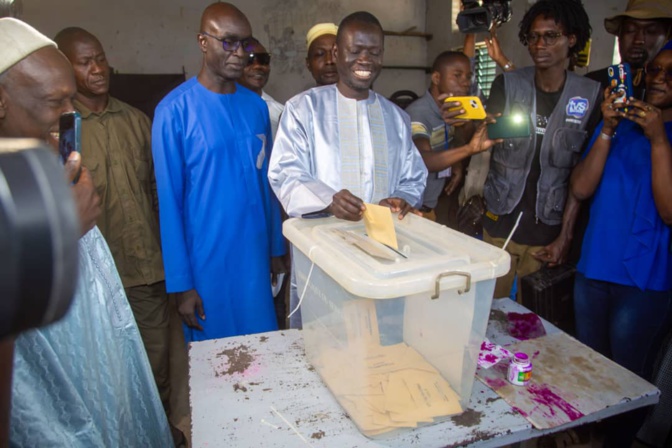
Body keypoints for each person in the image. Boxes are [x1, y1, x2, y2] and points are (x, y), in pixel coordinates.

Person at [0, 18, 172, 446]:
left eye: (69, 101)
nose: (67, 116)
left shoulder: (52, 155)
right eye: (52, 101)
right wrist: (62, 231)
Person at [53, 27, 181, 440]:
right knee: (102, 373)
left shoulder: (137, 121)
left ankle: (158, 433)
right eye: (84, 61)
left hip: (145, 272)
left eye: (101, 58)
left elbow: (158, 195)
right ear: (65, 67)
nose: (97, 69)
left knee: (155, 365)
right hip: (90, 280)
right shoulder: (59, 130)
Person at [268, 11, 427, 328]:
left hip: (382, 254)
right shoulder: (304, 109)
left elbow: (414, 177)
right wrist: (328, 199)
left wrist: (399, 198)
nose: (365, 59)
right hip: (323, 255)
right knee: (324, 338)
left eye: (374, 51)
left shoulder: (396, 118)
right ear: (338, 53)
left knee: (379, 336)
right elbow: (285, 171)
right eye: (355, 50)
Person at [152, 2, 285, 342]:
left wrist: (274, 249)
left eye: (246, 43)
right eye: (229, 42)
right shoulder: (173, 112)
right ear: (203, 42)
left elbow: (266, 184)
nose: (240, 53)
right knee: (215, 367)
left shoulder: (256, 108)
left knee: (261, 352)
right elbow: (170, 204)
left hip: (254, 258)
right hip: (206, 263)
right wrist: (182, 285)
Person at [570, 41, 672, 447]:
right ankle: (591, 436)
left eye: (670, 72)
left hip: (642, 280)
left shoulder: (660, 135)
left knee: (627, 376)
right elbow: (580, 187)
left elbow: (668, 212)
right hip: (594, 266)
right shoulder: (620, 126)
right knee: (590, 369)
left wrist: (659, 138)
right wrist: (608, 127)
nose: (659, 77)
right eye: (655, 69)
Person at [482, 0, 602, 301]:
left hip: (545, 229)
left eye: (551, 36)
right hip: (499, 219)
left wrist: (566, 235)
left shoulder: (589, 96)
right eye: (534, 36)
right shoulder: (507, 85)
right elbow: (482, 146)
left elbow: (580, 175)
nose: (539, 44)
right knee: (485, 309)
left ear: (571, 39)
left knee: (530, 321)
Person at [406, 51, 500, 223]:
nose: (465, 82)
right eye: (457, 76)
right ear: (436, 78)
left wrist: (455, 159)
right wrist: (468, 150)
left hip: (433, 201)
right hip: (412, 209)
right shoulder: (419, 113)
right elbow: (424, 160)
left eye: (468, 76)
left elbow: (463, 138)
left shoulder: (451, 107)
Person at [586, 0, 672, 100]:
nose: (638, 40)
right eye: (630, 30)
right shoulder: (591, 83)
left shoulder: (666, 90)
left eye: (650, 31)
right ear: (619, 35)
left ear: (667, 37)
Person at [238, 38, 284, 139]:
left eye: (263, 60)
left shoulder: (280, 114)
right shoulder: (221, 110)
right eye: (249, 60)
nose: (258, 66)